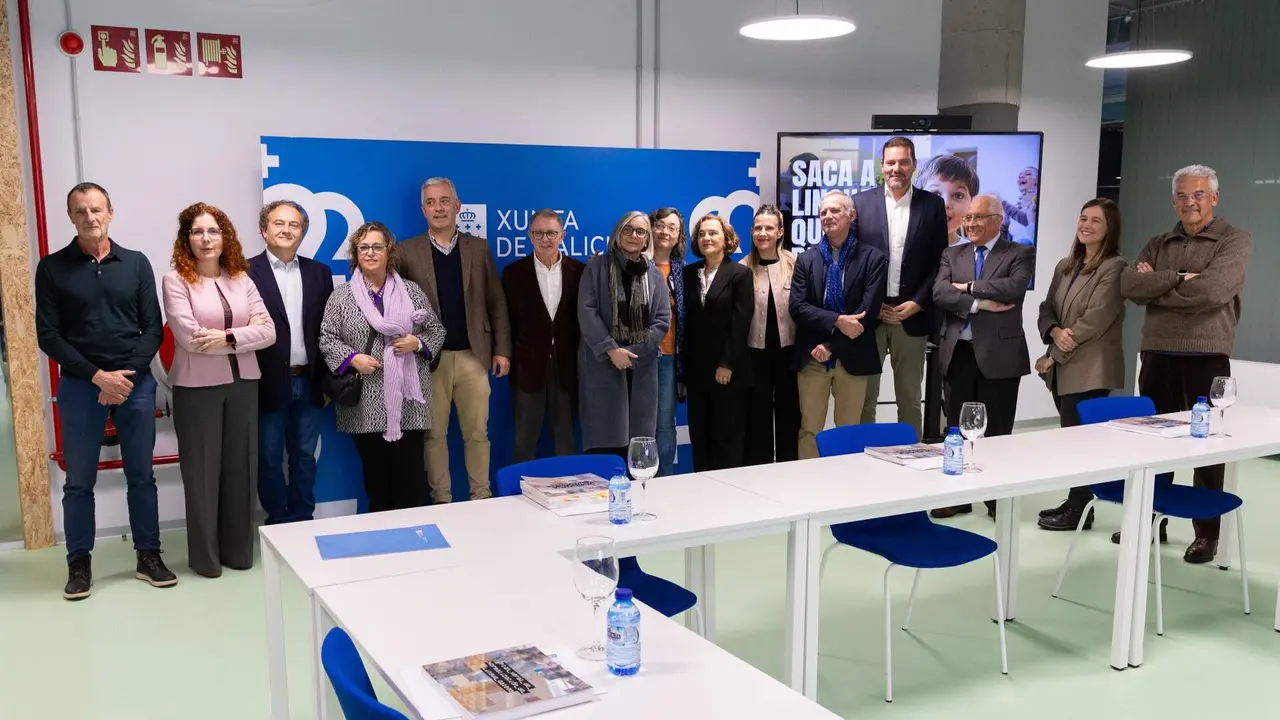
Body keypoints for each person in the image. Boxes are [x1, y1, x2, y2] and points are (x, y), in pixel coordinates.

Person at [35, 182, 176, 599]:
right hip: (81, 387)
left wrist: (124, 377)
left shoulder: (135, 264)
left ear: (110, 212)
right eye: (81, 211)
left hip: (134, 385)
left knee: (141, 476)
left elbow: (152, 328)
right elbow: (49, 335)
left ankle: (148, 555)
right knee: (78, 481)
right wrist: (98, 377)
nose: (90, 217)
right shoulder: (52, 268)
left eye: (96, 209)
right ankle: (79, 563)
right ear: (71, 217)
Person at [1120, 164, 1252, 564]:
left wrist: (1159, 282)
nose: (1189, 202)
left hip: (1207, 355)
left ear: (1214, 197)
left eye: (1198, 195)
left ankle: (1205, 533)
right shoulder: (1159, 241)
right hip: (1157, 354)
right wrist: (1180, 276)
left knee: (1207, 449)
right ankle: (1150, 521)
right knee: (1154, 442)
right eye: (1182, 195)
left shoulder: (1234, 240)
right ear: (1173, 199)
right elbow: (1130, 286)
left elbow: (1213, 292)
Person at [163, 203, 277, 578]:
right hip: (197, 388)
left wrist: (227, 337)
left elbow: (269, 331)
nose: (206, 238)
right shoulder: (176, 280)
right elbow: (190, 337)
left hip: (244, 384)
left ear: (224, 236)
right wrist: (245, 336)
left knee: (241, 469)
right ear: (187, 238)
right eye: (197, 231)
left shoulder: (241, 278)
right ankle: (207, 560)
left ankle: (239, 551)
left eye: (213, 230)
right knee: (201, 474)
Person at [320, 222, 446, 512]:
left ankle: (415, 542)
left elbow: (436, 331)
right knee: (377, 482)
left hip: (408, 402)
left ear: (389, 251)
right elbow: (326, 338)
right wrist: (353, 359)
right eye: (363, 247)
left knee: (411, 481)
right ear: (355, 253)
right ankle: (381, 547)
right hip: (365, 404)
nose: (370, 253)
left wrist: (417, 343)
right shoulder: (341, 296)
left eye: (377, 246)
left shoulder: (411, 291)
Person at [399, 177, 510, 502]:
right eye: (431, 202)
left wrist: (502, 349)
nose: (438, 208)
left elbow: (496, 301)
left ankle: (481, 496)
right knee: (433, 436)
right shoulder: (407, 251)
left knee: (478, 434)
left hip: (474, 356)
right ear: (423, 209)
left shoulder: (478, 247)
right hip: (428, 361)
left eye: (444, 201)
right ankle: (441, 500)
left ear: (457, 206)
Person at [931, 194, 1034, 519]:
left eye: (979, 217)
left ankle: (996, 498)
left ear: (998, 220)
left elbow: (1014, 288)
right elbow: (939, 292)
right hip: (957, 353)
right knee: (957, 429)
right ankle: (959, 495)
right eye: (968, 218)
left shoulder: (1018, 252)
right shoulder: (952, 252)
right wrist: (978, 304)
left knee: (998, 430)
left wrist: (969, 287)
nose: (971, 223)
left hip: (999, 355)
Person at [1035, 199, 1127, 531]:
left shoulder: (1115, 267)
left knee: (1081, 443)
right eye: (1083, 217)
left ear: (1109, 229)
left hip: (1090, 368)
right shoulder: (1065, 265)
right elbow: (1047, 308)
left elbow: (1094, 322)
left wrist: (1052, 355)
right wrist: (1053, 331)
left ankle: (1079, 510)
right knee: (1072, 439)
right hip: (1064, 366)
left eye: (1096, 221)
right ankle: (1078, 501)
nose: (1086, 225)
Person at [853, 137, 949, 439]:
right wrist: (873, 304)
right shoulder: (860, 203)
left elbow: (940, 262)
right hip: (871, 317)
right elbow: (852, 264)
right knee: (864, 400)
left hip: (912, 317)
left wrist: (919, 302)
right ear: (882, 166)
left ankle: (911, 462)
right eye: (891, 162)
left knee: (909, 399)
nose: (897, 168)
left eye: (904, 162)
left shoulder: (932, 205)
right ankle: (860, 460)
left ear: (914, 165)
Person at [247, 200, 334, 525]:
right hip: (265, 382)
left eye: (294, 225)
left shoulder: (319, 273)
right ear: (264, 229)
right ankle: (278, 519)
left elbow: (327, 330)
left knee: (304, 456)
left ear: (303, 232)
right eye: (278, 223)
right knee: (268, 458)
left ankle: (302, 517)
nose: (286, 230)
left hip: (308, 382)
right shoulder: (244, 271)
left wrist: (326, 382)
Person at [789, 190, 888, 460]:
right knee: (810, 429)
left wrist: (832, 344)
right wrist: (836, 320)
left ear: (851, 215)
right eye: (823, 212)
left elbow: (866, 315)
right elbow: (798, 307)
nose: (828, 216)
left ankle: (845, 491)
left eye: (835, 210)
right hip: (812, 357)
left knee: (849, 431)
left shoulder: (873, 259)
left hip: (853, 356)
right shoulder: (806, 259)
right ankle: (809, 493)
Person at [578, 211, 671, 457]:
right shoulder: (596, 267)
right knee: (605, 444)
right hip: (604, 365)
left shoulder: (654, 276)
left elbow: (662, 320)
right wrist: (611, 350)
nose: (634, 235)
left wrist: (632, 353)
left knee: (638, 446)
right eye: (628, 229)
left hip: (641, 367)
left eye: (641, 231)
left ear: (647, 239)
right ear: (618, 233)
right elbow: (587, 311)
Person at [502, 209, 584, 462]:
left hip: (568, 368)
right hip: (528, 369)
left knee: (566, 441)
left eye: (551, 233)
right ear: (530, 235)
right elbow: (506, 322)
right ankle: (517, 496)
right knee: (524, 442)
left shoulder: (581, 272)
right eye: (538, 233)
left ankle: (570, 495)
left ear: (562, 235)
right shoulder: (513, 273)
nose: (545, 238)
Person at [681, 214, 753, 471]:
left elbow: (740, 323)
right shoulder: (688, 274)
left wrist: (727, 363)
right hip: (696, 373)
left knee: (727, 440)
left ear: (726, 239)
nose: (706, 238)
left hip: (728, 372)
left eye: (712, 233)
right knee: (700, 439)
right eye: (701, 234)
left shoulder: (740, 274)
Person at [740, 205, 800, 465]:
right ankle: (760, 478)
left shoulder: (796, 264)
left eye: (768, 228)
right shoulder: (742, 269)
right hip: (755, 356)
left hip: (790, 355)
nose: (762, 233)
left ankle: (789, 477)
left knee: (790, 419)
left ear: (780, 232)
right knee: (758, 421)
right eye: (757, 228)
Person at [650, 207, 688, 476]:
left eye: (672, 228)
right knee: (636, 424)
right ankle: (635, 480)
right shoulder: (634, 265)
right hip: (638, 358)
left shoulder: (683, 273)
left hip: (669, 359)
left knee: (664, 424)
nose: (665, 231)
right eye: (660, 225)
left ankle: (664, 483)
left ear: (678, 236)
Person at [917, 154, 978, 247]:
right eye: (935, 194)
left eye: (958, 195)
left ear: (971, 204)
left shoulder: (975, 255)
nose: (945, 203)